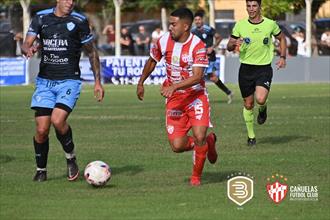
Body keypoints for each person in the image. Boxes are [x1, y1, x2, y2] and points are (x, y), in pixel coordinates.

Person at [21, 0, 104, 182]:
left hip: (69, 80)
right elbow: (26, 44)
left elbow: (91, 52)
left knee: (58, 121)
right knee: (42, 129)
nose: (70, 2)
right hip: (45, 82)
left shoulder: (79, 21)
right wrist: (28, 49)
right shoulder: (41, 18)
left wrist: (97, 81)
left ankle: (71, 157)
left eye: (73, 0)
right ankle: (41, 170)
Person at [136, 8, 218, 186]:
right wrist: (141, 82)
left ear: (185, 26)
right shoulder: (163, 41)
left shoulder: (198, 45)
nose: (170, 27)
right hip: (175, 99)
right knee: (177, 146)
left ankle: (196, 177)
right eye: (170, 24)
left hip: (196, 96)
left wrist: (174, 86)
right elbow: (152, 60)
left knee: (198, 135)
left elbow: (197, 76)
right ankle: (207, 142)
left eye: (174, 24)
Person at [227, 0, 286, 146]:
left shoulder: (270, 24)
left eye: (254, 6)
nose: (251, 9)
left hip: (263, 68)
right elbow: (229, 46)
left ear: (260, 7)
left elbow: (282, 38)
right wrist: (234, 43)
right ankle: (251, 136)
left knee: (260, 99)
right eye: (248, 6)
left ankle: (263, 108)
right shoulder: (240, 25)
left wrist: (283, 57)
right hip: (246, 70)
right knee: (248, 104)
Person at [191, 11, 234, 104]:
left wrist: (212, 47)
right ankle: (201, 96)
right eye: (196, 20)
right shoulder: (193, 31)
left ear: (202, 20)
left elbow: (219, 37)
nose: (197, 21)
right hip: (198, 56)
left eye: (199, 19)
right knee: (197, 76)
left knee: (213, 78)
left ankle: (228, 92)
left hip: (210, 57)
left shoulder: (208, 29)